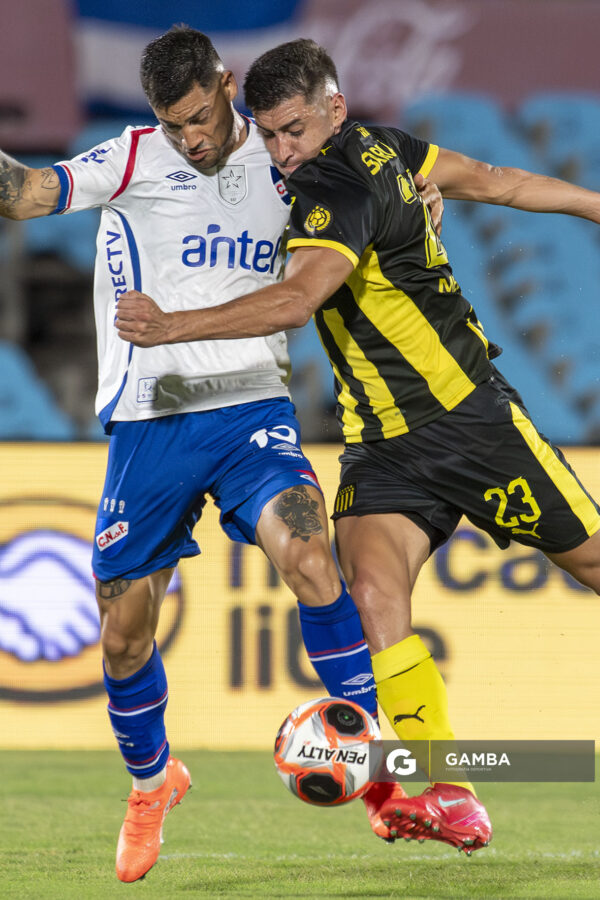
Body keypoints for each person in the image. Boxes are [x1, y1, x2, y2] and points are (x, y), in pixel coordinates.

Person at [116, 38, 600, 856]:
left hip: (468, 420)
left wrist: (170, 327)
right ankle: (451, 790)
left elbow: (298, 300)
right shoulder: (381, 149)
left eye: (295, 130)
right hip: (380, 440)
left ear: (333, 109)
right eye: (270, 133)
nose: (283, 150)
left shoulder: (338, 184)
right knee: (374, 597)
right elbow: (494, 181)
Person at [0, 27, 445, 882]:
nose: (191, 138)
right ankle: (151, 783)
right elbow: (24, 195)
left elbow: (377, 192)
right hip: (150, 421)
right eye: (174, 125)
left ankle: (381, 774)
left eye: (200, 117)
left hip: (252, 412)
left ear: (226, 84)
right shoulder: (132, 157)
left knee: (310, 553)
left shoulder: (287, 161)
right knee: (123, 635)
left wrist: (419, 200)